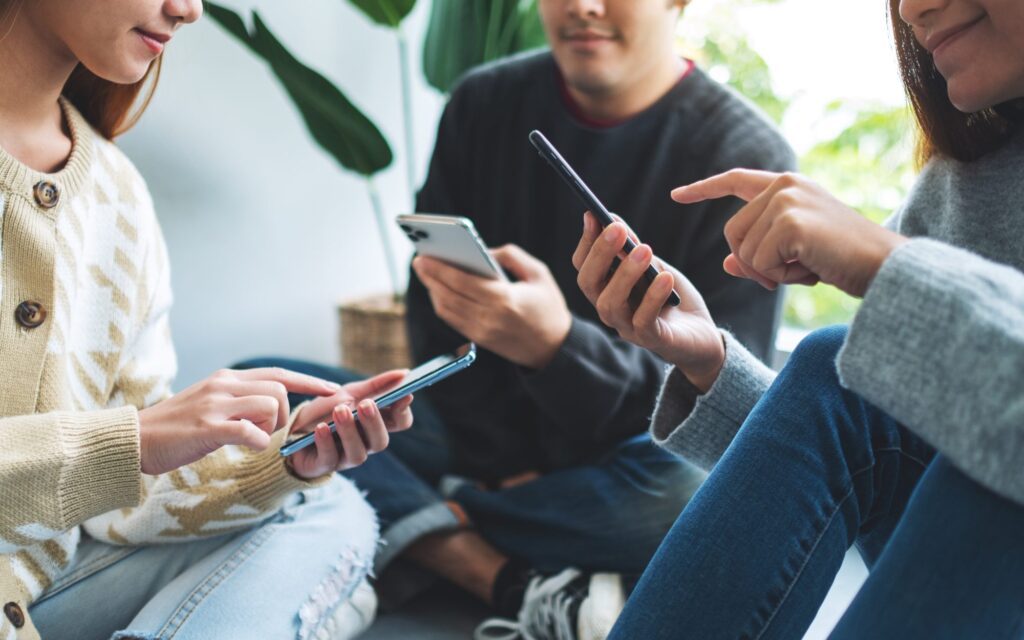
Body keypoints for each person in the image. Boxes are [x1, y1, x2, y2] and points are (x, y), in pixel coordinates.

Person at [241, 0, 794, 637]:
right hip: (474, 439)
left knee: (695, 494)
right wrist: (496, 463)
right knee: (265, 390)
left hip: (623, 461)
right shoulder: (483, 102)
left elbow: (725, 416)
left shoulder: (744, 155)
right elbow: (432, 320)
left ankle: (426, 532)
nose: (584, 7)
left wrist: (555, 347)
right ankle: (512, 579)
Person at [570, 0, 1024, 637]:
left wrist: (882, 260)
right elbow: (853, 461)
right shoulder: (968, 181)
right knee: (832, 368)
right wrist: (710, 364)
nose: (913, 9)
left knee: (992, 479)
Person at [0, 1, 415, 638]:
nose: (188, 10)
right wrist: (132, 441)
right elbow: (119, 455)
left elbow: (121, 502)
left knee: (326, 507)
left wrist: (282, 458)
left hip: (42, 588)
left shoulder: (116, 194)